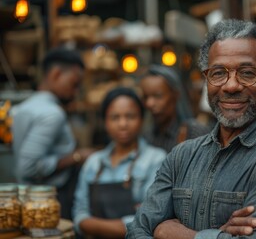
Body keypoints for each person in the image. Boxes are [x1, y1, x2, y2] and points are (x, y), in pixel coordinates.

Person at [126, 19, 256, 238]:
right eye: (218, 73)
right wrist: (219, 235)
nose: (231, 86)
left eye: (246, 73)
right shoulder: (182, 156)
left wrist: (170, 232)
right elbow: (136, 231)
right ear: (207, 78)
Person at [12, 46, 95, 220]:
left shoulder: (23, 107)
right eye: (74, 84)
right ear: (56, 74)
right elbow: (28, 166)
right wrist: (77, 156)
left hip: (29, 199)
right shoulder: (52, 113)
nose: (76, 92)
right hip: (49, 200)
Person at [72, 87, 167, 238]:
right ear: (105, 122)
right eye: (115, 117)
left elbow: (149, 220)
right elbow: (79, 213)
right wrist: (126, 225)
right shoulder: (93, 163)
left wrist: (90, 225)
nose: (123, 124)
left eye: (130, 116)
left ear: (142, 119)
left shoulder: (156, 159)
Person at [139, 64, 210, 152]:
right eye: (145, 97)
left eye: (157, 96)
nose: (149, 103)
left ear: (175, 95)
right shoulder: (147, 137)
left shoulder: (193, 133)